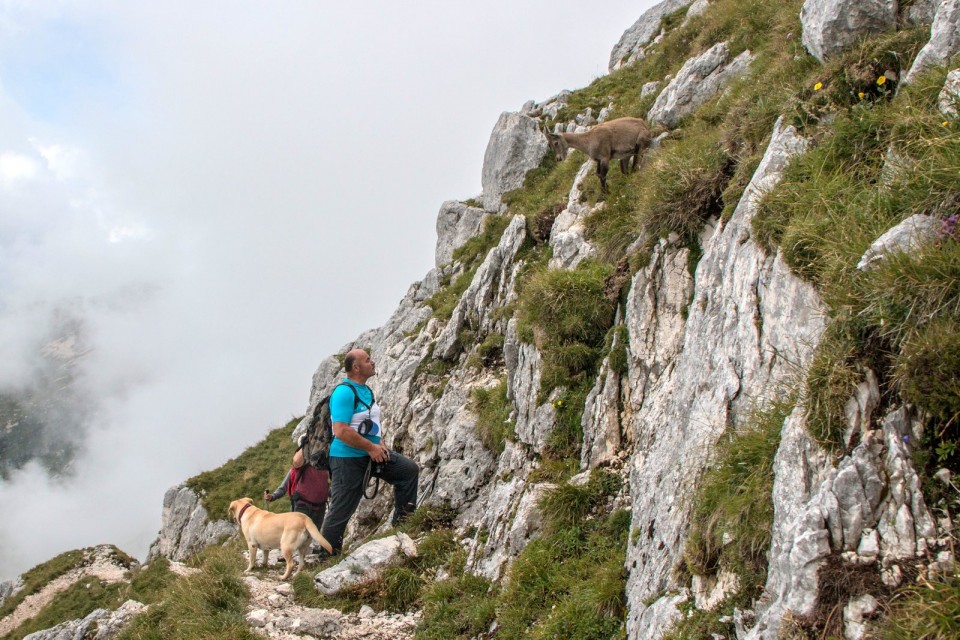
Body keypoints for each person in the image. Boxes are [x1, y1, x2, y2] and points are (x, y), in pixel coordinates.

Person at [320, 348, 419, 555]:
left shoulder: (366, 390)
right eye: (367, 360)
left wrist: (379, 442)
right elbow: (340, 430)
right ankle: (325, 557)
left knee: (408, 471)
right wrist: (371, 447)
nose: (372, 362)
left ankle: (402, 529)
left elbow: (369, 422)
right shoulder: (344, 392)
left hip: (371, 452)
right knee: (341, 510)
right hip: (347, 459)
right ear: (356, 367)